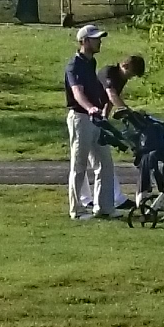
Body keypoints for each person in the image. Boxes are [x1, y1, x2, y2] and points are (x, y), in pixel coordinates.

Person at [65, 19, 118, 221]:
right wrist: (90, 108)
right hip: (80, 117)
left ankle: (104, 207)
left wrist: (100, 110)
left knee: (104, 163)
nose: (99, 42)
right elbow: (77, 92)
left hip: (94, 118)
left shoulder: (91, 62)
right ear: (84, 41)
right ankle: (76, 210)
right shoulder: (74, 65)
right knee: (79, 166)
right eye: (95, 39)